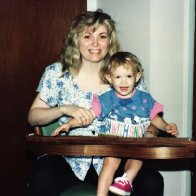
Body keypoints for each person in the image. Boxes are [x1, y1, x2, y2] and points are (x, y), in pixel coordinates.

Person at [27, 9, 164, 196]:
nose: (95, 44)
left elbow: (151, 116)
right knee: (41, 176)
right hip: (67, 158)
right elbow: (33, 117)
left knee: (152, 181)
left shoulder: (127, 73)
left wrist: (150, 133)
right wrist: (63, 109)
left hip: (116, 156)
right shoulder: (56, 73)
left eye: (102, 36)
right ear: (76, 40)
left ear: (110, 41)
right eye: (87, 36)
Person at [51, 51, 178, 196]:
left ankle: (126, 180)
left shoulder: (144, 98)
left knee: (137, 159)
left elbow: (155, 118)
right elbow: (89, 115)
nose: (123, 82)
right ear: (109, 78)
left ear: (137, 77)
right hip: (113, 141)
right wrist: (70, 124)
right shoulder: (107, 98)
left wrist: (166, 126)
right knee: (109, 165)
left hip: (137, 142)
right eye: (118, 77)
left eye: (128, 76)